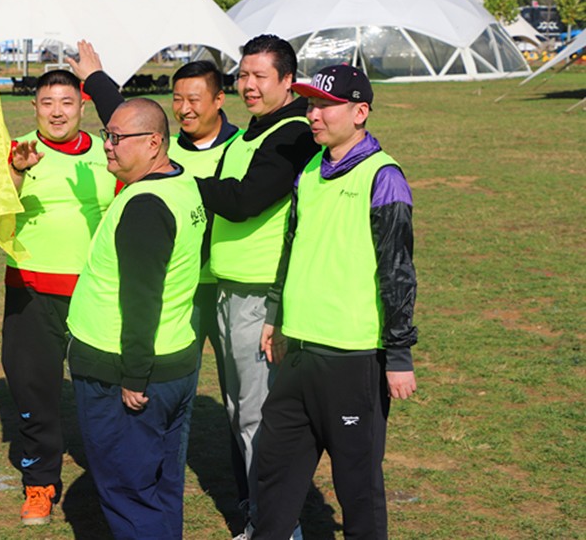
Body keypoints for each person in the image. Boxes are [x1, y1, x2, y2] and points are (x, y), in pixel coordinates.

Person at [69, 42, 249, 496]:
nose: (184, 109)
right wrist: (96, 79)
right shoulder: (170, 156)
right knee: (171, 410)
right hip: (177, 296)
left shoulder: (239, 148)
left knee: (242, 403)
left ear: (218, 100)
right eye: (178, 99)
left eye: (194, 99)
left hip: (222, 288)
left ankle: (255, 505)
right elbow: (130, 123)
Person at [252, 64, 418, 539]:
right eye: (310, 105)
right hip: (299, 351)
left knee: (357, 485)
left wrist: (399, 353)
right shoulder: (308, 170)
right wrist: (275, 313)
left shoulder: (383, 176)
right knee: (275, 470)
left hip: (353, 358)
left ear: (360, 112)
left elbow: (397, 271)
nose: (313, 115)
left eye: (326, 106)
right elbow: (292, 246)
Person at [194, 35, 319, 540]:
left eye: (259, 76)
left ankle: (276, 527)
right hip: (231, 291)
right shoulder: (251, 133)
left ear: (288, 81)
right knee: (240, 411)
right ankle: (262, 517)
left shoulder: (292, 134)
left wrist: (182, 182)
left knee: (258, 417)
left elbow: (246, 200)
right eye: (242, 75)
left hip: (260, 296)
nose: (247, 85)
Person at [67, 98, 207, 540]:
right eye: (106, 135)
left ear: (153, 143)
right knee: (161, 486)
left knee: (130, 494)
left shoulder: (145, 204)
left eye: (117, 138)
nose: (107, 145)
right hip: (174, 361)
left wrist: (134, 375)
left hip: (127, 373)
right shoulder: (183, 183)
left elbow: (141, 297)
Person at [2, 69, 116, 525]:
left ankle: (113, 483)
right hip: (31, 290)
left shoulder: (107, 151)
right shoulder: (19, 150)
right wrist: (15, 172)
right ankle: (40, 485)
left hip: (95, 291)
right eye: (47, 102)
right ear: (34, 107)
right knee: (34, 388)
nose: (56, 112)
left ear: (82, 107)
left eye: (66, 102)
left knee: (105, 391)